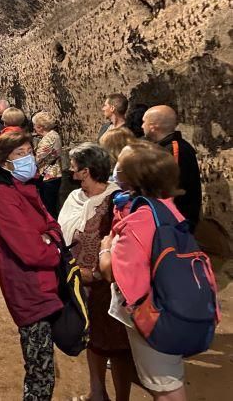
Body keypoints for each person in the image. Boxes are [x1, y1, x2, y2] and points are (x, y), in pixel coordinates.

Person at [99, 141, 188, 400]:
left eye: (120, 165)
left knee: (165, 387)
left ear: (132, 176)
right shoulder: (164, 207)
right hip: (169, 300)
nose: (115, 168)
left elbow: (111, 273)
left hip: (150, 312)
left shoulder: (140, 220)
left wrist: (105, 249)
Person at [0, 132, 62, 400]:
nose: (28, 158)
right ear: (4, 162)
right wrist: (53, 247)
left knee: (44, 362)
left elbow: (53, 225)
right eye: (19, 154)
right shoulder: (1, 196)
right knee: (40, 371)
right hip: (28, 288)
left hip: (45, 283)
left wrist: (49, 238)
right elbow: (32, 251)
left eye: (29, 151)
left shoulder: (26, 188)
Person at [58, 143, 133, 401]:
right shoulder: (74, 197)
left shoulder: (117, 201)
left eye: (74, 167)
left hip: (109, 287)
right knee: (93, 341)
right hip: (81, 285)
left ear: (86, 171)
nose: (71, 171)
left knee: (118, 347)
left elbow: (124, 244)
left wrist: (99, 274)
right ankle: (97, 392)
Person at [142, 105, 202, 230]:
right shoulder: (162, 147)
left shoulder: (175, 150)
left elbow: (169, 188)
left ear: (153, 126)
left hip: (176, 222)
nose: (142, 126)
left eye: (144, 122)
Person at [33, 111, 63, 219]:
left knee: (49, 207)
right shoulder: (54, 135)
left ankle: (51, 226)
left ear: (40, 127)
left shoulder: (48, 139)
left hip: (49, 176)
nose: (34, 128)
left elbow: (37, 159)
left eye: (35, 125)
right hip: (53, 174)